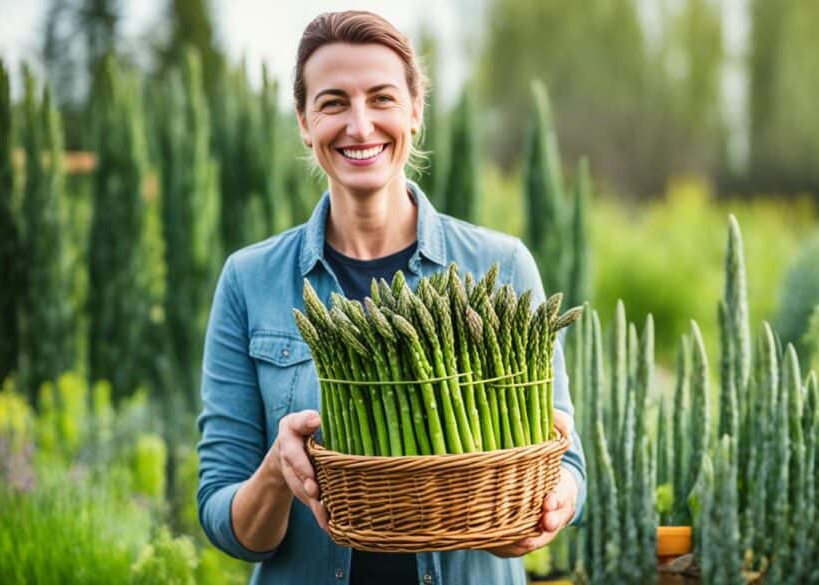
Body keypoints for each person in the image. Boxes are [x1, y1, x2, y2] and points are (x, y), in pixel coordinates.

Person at [196, 10, 586, 585]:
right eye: (333, 103)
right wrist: (278, 471)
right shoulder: (251, 280)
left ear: (414, 110)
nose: (359, 126)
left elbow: (567, 463)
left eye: (381, 98)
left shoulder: (500, 266)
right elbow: (224, 519)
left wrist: (549, 505)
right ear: (304, 122)